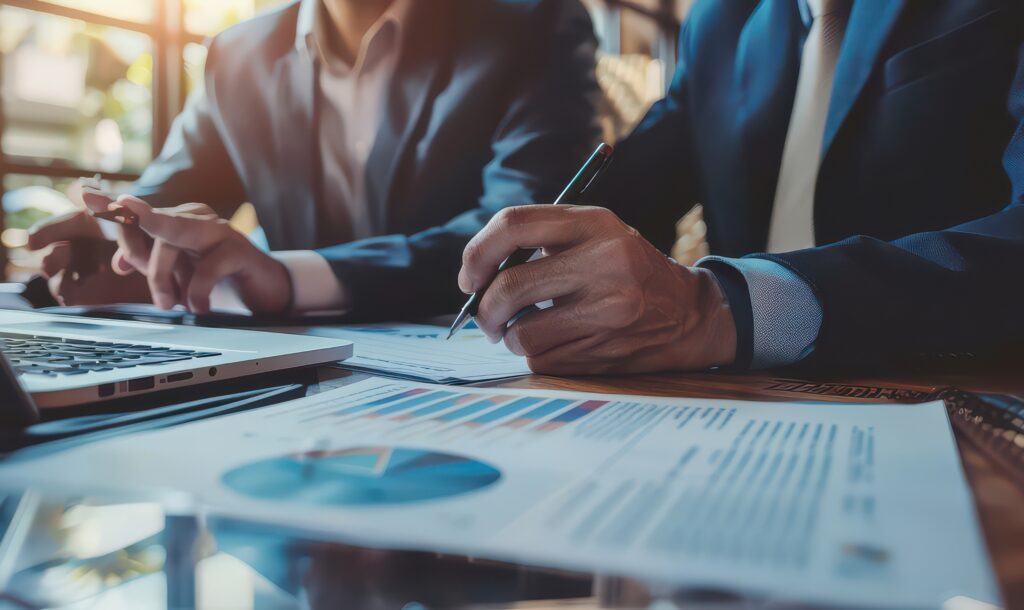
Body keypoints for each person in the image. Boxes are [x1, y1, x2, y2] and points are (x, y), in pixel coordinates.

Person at [457, 0, 1024, 374]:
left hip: (955, 392)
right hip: (738, 404)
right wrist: (536, 258)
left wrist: (722, 309)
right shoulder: (719, 21)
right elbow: (624, 197)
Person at [28, 0, 600, 319]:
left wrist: (288, 277)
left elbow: (520, 228)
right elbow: (169, 196)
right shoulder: (239, 52)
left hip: (476, 368)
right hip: (284, 379)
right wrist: (122, 233)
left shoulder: (533, 26)